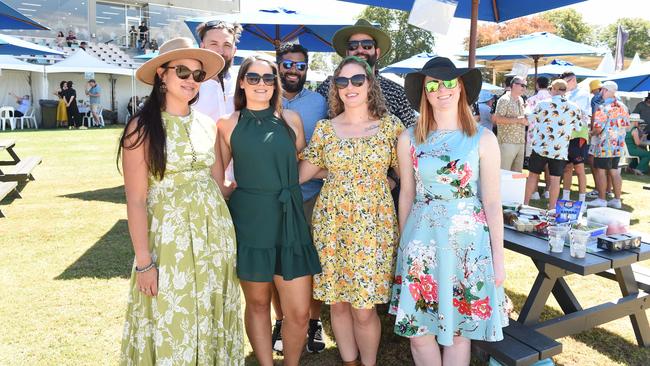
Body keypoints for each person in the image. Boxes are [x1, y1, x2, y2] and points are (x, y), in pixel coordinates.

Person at [118, 37, 244, 364]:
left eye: (198, 75)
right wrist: (144, 262)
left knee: (212, 310)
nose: (190, 80)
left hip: (214, 240)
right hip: (169, 243)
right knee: (174, 316)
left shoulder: (207, 125)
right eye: (182, 72)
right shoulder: (141, 129)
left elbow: (219, 183)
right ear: (162, 74)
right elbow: (135, 201)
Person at [390, 57, 508, 366]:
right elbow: (406, 194)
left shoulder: (484, 138)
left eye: (448, 83)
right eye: (432, 85)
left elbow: (493, 203)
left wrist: (499, 259)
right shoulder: (408, 138)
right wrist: (405, 246)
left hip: (468, 246)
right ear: (424, 94)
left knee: (459, 331)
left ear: (462, 88)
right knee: (419, 332)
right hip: (421, 244)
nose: (441, 90)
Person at [216, 56, 322, 366]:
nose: (261, 83)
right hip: (250, 220)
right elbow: (218, 177)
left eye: (268, 78)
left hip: (290, 217)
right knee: (258, 303)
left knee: (299, 312)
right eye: (254, 77)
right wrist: (235, 193)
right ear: (242, 82)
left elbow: (301, 162)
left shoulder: (292, 121)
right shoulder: (227, 125)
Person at [299, 56, 403, 366]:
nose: (350, 87)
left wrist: (392, 182)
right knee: (338, 304)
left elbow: (407, 176)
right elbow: (301, 174)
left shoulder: (389, 127)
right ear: (335, 87)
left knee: (363, 307)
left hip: (374, 227)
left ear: (370, 84)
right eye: (342, 81)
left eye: (358, 80)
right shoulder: (325, 130)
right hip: (332, 224)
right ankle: (349, 362)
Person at [271, 42, 329, 355]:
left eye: (300, 66)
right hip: (273, 198)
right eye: (288, 64)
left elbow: (330, 144)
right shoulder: (262, 96)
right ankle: (281, 320)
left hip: (311, 196)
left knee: (314, 262)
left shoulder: (319, 103)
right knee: (277, 263)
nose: (293, 70)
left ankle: (313, 321)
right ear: (277, 65)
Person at [316, 19, 417, 128]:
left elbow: (411, 134)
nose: (360, 50)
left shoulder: (397, 93)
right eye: (353, 46)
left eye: (367, 45)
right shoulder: (328, 87)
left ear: (377, 52)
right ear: (347, 53)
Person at [524, 79, 584, 210]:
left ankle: (526, 204)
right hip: (560, 149)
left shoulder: (542, 104)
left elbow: (529, 119)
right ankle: (551, 209)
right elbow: (579, 128)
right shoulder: (574, 107)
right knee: (555, 180)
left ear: (554, 89)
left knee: (533, 176)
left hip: (540, 147)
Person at [587, 81, 629, 209]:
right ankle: (617, 200)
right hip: (618, 145)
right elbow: (627, 126)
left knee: (600, 171)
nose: (601, 92)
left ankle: (601, 199)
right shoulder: (623, 106)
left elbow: (598, 128)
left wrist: (591, 133)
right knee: (615, 171)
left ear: (605, 90)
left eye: (602, 90)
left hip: (605, 144)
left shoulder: (603, 107)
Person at [193, 20, 242, 122]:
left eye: (227, 45)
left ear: (234, 50)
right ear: (202, 47)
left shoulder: (241, 82)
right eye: (214, 44)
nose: (220, 51)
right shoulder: (189, 82)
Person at [559, 71, 591, 204]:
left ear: (573, 80)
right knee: (567, 168)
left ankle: (581, 199)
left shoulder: (582, 94)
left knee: (579, 168)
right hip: (566, 135)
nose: (564, 86)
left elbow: (577, 112)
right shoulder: (566, 94)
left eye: (565, 82)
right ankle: (566, 197)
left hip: (578, 135)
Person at [494, 76, 528, 172]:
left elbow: (521, 119)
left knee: (516, 175)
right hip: (507, 142)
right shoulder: (504, 99)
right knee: (504, 173)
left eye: (525, 86)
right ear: (513, 85)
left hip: (520, 142)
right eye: (522, 85)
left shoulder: (521, 99)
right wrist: (518, 120)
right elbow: (498, 119)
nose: (524, 88)